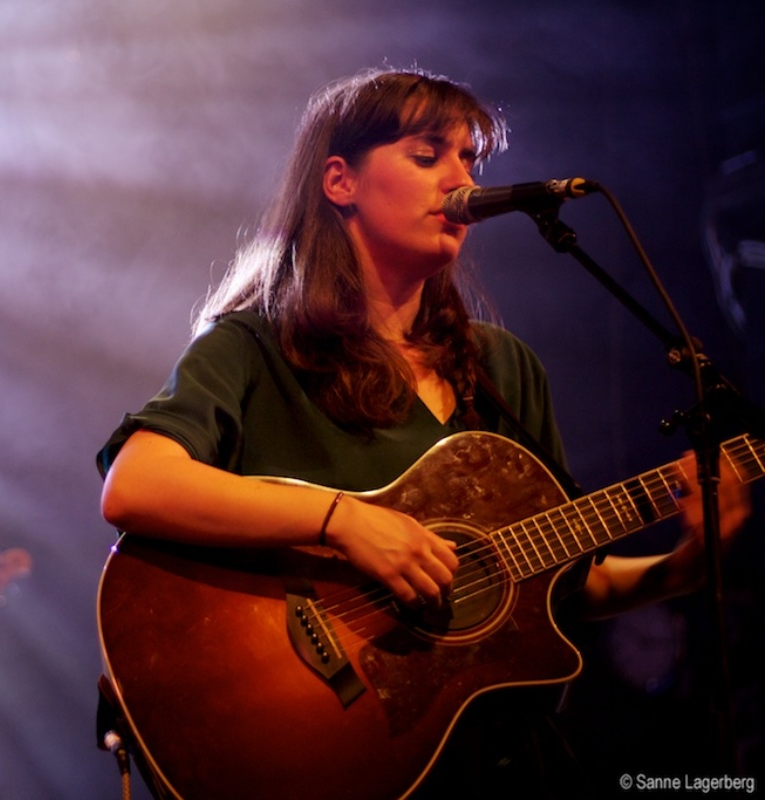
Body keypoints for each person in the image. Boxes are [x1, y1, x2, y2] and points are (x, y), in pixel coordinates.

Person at [96, 68, 752, 798]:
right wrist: (343, 521)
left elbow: (557, 584)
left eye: (471, 158)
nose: (459, 179)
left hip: (498, 766)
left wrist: (687, 564)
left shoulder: (503, 368)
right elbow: (136, 484)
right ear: (340, 182)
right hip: (330, 749)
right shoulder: (253, 347)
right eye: (428, 154)